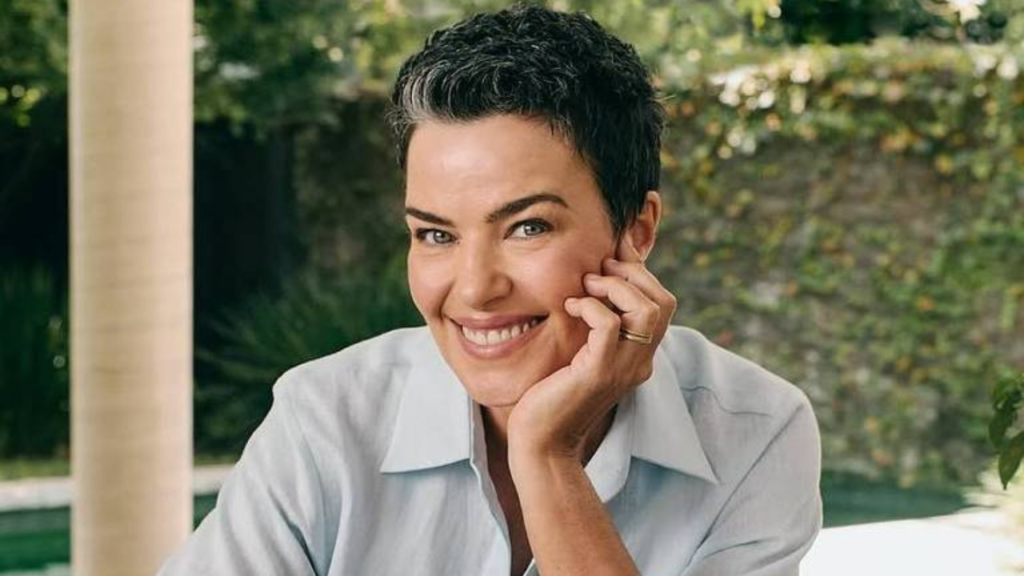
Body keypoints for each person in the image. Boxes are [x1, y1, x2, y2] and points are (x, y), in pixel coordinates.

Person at [158, 4, 821, 575]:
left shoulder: (755, 433)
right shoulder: (326, 421)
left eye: (528, 227)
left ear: (636, 230)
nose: (475, 289)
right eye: (436, 234)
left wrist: (548, 456)